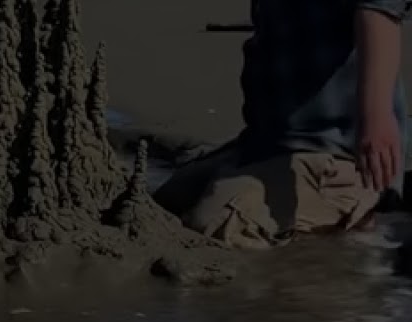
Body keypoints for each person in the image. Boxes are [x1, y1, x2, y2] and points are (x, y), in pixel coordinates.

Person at [153, 0, 409, 248]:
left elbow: (379, 9)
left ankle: (352, 231)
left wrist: (376, 117)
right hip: (271, 143)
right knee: (167, 202)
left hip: (339, 151)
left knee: (216, 224)